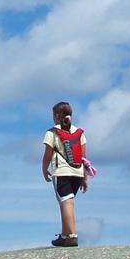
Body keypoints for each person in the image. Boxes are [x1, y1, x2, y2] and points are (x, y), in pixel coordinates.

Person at [42, 101, 88, 247]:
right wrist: (84, 178)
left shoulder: (52, 132)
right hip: (77, 172)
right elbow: (83, 157)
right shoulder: (79, 133)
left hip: (61, 171)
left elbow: (48, 155)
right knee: (67, 201)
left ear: (56, 116)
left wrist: (44, 169)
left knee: (66, 202)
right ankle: (64, 235)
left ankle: (72, 235)